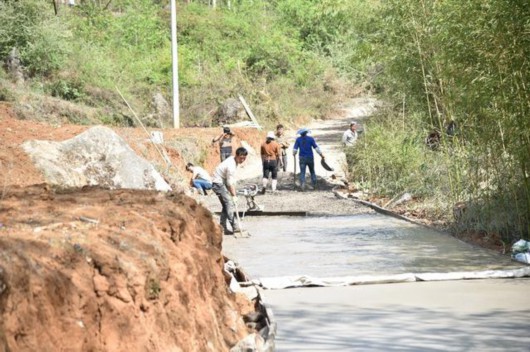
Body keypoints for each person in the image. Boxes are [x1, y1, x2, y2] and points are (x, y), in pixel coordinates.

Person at [211, 147, 248, 235]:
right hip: (218, 184)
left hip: (221, 182)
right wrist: (234, 196)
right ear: (237, 155)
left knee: (226, 205)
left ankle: (222, 228)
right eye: (241, 158)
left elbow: (229, 182)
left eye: (244, 158)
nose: (242, 160)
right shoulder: (231, 165)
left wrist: (232, 193)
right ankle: (235, 228)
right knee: (230, 204)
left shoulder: (233, 160)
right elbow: (229, 183)